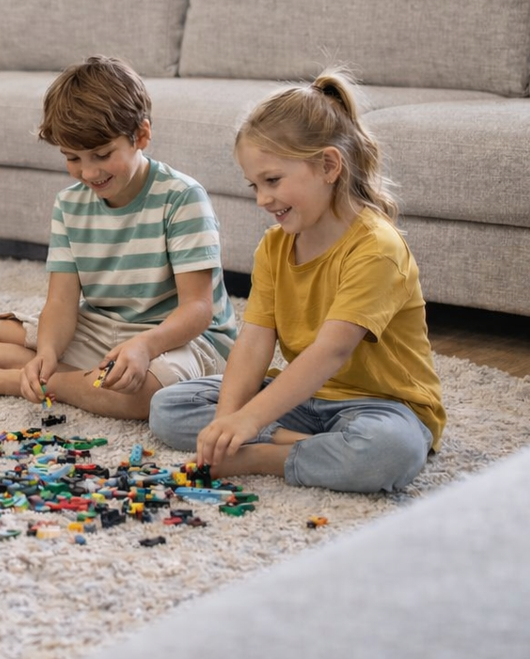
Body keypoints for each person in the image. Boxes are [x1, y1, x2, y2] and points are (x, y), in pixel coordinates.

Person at [149, 70, 446, 493]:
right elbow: (253, 344)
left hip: (382, 406)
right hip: (303, 401)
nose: (261, 199)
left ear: (328, 165)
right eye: (254, 185)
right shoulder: (275, 246)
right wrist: (227, 420)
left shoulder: (377, 248)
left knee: (388, 452)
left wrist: (249, 424)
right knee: (169, 406)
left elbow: (331, 353)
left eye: (272, 181)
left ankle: (266, 456)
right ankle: (312, 447)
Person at [0, 56, 238, 419]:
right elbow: (62, 302)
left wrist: (144, 345)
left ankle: (30, 383)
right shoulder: (68, 204)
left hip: (175, 338)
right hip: (100, 329)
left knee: (149, 396)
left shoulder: (182, 197)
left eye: (102, 154)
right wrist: (47, 352)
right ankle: (84, 380)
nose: (89, 172)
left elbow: (198, 309)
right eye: (73, 158)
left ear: (140, 135)